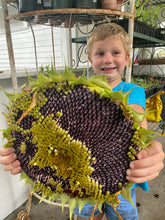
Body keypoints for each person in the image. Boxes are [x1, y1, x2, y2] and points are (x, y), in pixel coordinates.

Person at [0, 23, 164, 220]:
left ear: (128, 59)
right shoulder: (77, 92)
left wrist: (147, 149)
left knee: (123, 216)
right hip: (78, 182)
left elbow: (136, 117)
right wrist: (19, 151)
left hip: (119, 180)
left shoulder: (133, 91)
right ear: (90, 59)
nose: (108, 59)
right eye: (100, 53)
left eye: (116, 52)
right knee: (89, 215)